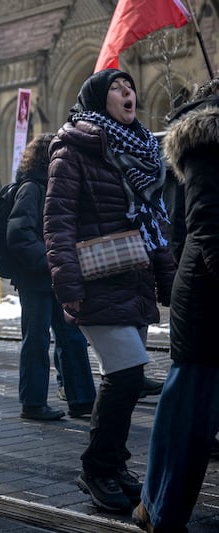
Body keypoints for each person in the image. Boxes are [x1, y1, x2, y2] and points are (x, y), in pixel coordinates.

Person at [44, 69, 176, 512]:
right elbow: (57, 221)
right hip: (97, 279)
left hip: (132, 277)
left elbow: (153, 223)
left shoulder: (140, 149)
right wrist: (66, 285)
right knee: (126, 376)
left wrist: (168, 281)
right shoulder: (73, 148)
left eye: (130, 86)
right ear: (99, 99)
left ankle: (113, 464)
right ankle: (96, 469)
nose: (128, 93)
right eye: (117, 88)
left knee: (124, 378)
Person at [133, 91, 219, 532]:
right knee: (188, 414)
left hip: (202, 289)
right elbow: (208, 227)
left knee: (189, 409)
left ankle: (155, 505)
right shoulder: (208, 143)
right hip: (207, 298)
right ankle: (160, 511)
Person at [6, 133, 96, 421]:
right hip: (37, 278)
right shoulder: (32, 188)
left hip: (59, 275)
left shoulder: (58, 186)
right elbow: (17, 234)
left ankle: (81, 399)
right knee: (37, 339)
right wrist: (50, 259)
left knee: (71, 335)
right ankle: (32, 403)